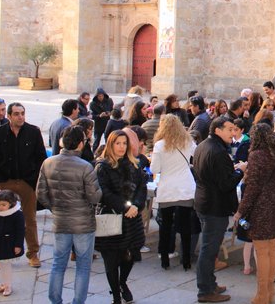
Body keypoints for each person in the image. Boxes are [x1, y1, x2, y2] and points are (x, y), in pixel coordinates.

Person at [36, 125, 102, 304]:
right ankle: (78, 301)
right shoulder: (85, 166)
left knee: (58, 264)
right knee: (83, 266)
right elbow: (95, 196)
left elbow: (41, 194)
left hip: (61, 220)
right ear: (81, 144)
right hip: (83, 223)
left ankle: (55, 300)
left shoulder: (48, 162)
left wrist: (55, 207)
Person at [0, 102, 46, 267]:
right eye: (17, 114)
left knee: (30, 219)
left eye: (22, 113)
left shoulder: (33, 132)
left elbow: (41, 157)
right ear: (9, 116)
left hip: (27, 182)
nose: (20, 117)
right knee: (2, 218)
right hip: (6, 182)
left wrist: (34, 179)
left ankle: (32, 253)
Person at [193, 117, 245, 303]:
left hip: (205, 202)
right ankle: (205, 291)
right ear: (217, 130)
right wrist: (241, 171)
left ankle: (210, 284)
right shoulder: (217, 151)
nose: (233, 132)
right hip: (214, 206)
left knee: (210, 248)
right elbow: (226, 184)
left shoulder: (204, 146)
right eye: (230, 129)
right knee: (209, 250)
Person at [94, 130, 148, 304]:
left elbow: (141, 187)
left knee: (130, 256)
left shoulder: (133, 164)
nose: (121, 147)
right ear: (111, 144)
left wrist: (137, 206)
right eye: (118, 143)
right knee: (111, 260)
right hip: (112, 217)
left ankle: (122, 282)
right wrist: (126, 207)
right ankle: (116, 295)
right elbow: (105, 193)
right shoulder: (103, 166)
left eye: (124, 143)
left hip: (131, 219)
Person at [235, 124, 275, 304]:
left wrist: (241, 210)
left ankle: (262, 295)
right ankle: (269, 293)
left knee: (262, 252)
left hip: (261, 208)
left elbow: (253, 187)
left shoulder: (256, 155)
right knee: (271, 250)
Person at [151, 114, 197, 270]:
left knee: (165, 226)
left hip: (167, 188)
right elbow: (195, 159)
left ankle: (165, 259)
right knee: (185, 226)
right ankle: (186, 261)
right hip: (185, 187)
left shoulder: (159, 145)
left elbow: (154, 169)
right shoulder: (188, 142)